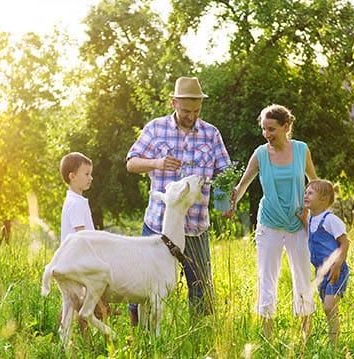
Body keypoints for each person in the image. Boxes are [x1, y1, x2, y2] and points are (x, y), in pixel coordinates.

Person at [126, 76, 231, 324]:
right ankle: (137, 335)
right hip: (158, 226)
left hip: (194, 227)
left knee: (200, 287)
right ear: (173, 103)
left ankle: (199, 338)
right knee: (141, 282)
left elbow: (225, 172)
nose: (191, 116)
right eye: (186, 110)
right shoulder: (155, 129)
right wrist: (157, 163)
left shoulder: (210, 134)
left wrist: (226, 199)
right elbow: (131, 163)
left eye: (196, 111)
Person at [227, 104, 317, 339]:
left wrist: (313, 211)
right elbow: (244, 183)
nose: (267, 134)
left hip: (298, 223)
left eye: (272, 129)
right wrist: (233, 200)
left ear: (286, 127)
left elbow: (314, 182)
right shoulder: (260, 154)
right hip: (269, 223)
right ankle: (268, 334)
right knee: (266, 277)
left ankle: (305, 333)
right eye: (264, 129)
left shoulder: (301, 150)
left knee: (303, 278)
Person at [59, 152, 115, 331]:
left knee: (69, 303)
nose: (91, 178)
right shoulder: (76, 204)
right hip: (76, 261)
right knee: (80, 300)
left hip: (72, 260)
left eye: (91, 174)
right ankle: (100, 312)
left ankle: (66, 337)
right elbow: (82, 236)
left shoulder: (77, 200)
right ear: (72, 176)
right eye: (86, 174)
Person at [303, 179, 350, 345]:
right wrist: (302, 220)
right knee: (328, 309)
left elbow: (345, 243)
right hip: (321, 272)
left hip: (336, 270)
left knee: (329, 307)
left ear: (323, 199)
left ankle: (335, 344)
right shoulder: (311, 218)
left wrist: (337, 265)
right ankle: (333, 339)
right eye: (305, 192)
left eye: (310, 193)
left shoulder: (331, 220)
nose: (305, 195)